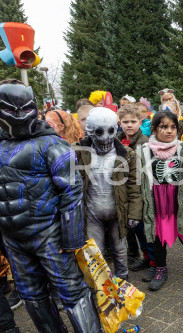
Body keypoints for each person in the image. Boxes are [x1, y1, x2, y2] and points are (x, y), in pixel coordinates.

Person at [0, 79, 100, 332]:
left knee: (72, 290)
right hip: (13, 239)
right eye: (11, 109)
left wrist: (72, 239)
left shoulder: (52, 144)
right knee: (31, 294)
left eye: (26, 107)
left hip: (49, 234)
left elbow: (72, 192)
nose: (20, 115)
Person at [140, 111, 183, 291]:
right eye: (164, 127)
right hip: (157, 204)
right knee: (158, 239)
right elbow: (139, 179)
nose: (169, 131)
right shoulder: (144, 151)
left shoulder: (182, 148)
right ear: (154, 129)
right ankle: (160, 269)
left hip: (179, 202)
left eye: (173, 127)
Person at [74, 107, 142, 281]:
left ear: (116, 128)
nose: (105, 138)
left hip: (117, 212)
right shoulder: (78, 153)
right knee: (95, 252)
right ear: (89, 132)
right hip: (92, 214)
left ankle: (122, 283)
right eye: (98, 132)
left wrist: (134, 213)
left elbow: (134, 186)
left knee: (120, 251)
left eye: (110, 131)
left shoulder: (128, 155)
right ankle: (101, 289)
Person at [116, 104, 153, 269]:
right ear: (119, 122)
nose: (129, 125)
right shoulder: (117, 140)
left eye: (133, 121)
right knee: (134, 229)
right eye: (125, 121)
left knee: (145, 229)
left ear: (140, 122)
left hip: (142, 192)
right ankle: (144, 256)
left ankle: (154, 262)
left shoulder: (145, 142)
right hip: (125, 191)